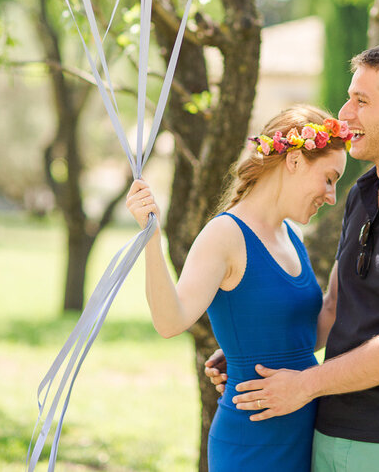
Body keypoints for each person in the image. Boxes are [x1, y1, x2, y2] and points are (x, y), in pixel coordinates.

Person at [207, 41, 379, 471]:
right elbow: (335, 307)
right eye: (348, 97)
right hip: (329, 430)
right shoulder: (361, 193)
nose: (344, 114)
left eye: (361, 101)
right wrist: (264, 348)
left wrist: (304, 384)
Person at [126, 104, 350, 472]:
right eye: (329, 178)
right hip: (252, 443)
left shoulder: (289, 236)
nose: (331, 195)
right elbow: (169, 321)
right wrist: (150, 236)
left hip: (304, 433)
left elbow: (306, 331)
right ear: (293, 161)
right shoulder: (225, 235)